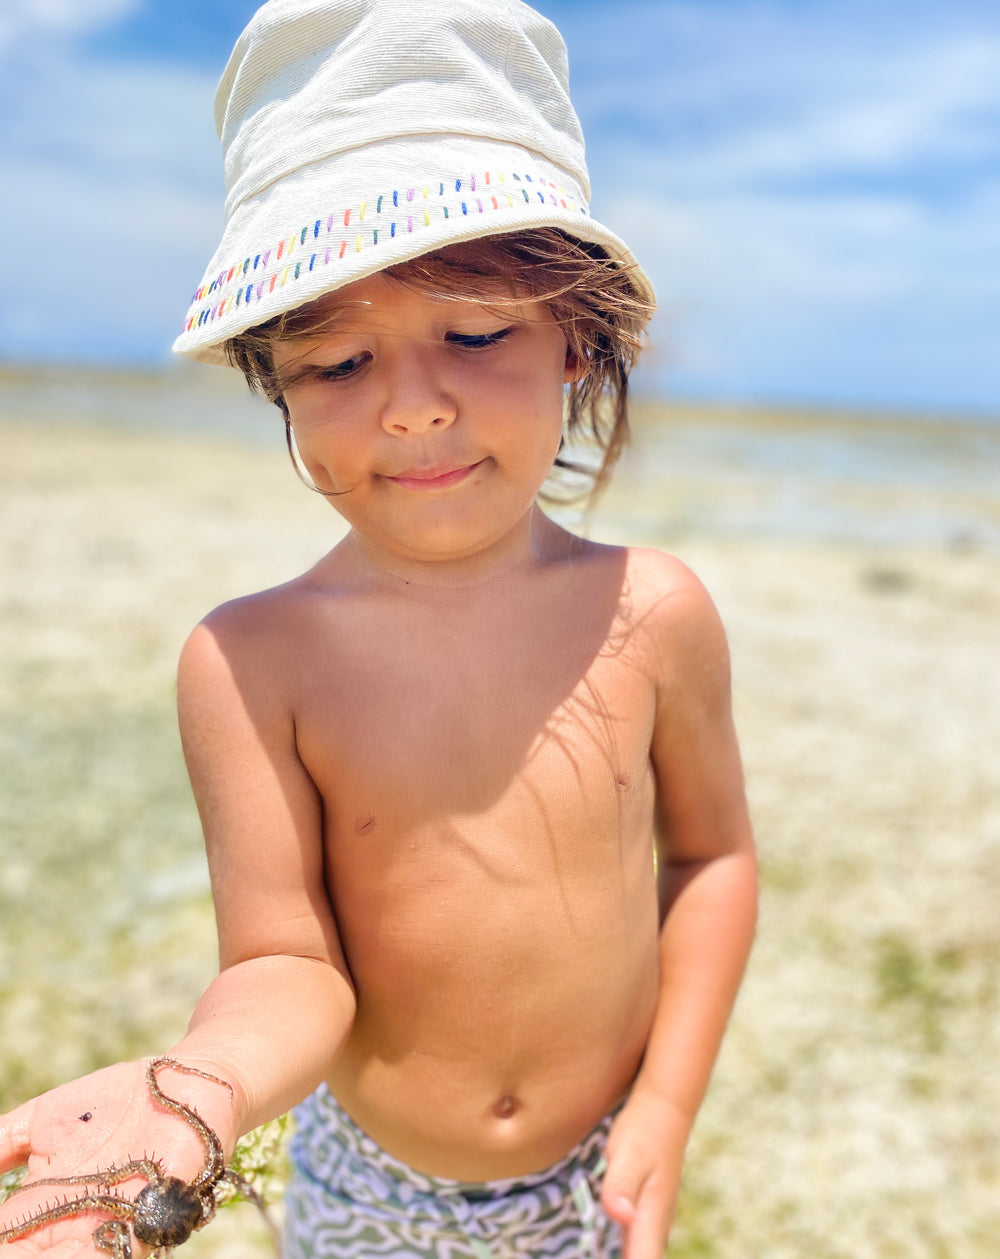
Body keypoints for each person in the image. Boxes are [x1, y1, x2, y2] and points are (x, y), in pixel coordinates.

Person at [0, 2, 758, 1257]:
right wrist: (196, 1090)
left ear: (574, 332)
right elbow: (283, 961)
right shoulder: (252, 662)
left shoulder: (655, 612)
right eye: (336, 363)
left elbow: (711, 860)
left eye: (471, 333)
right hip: (364, 1187)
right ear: (274, 380)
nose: (411, 406)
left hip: (595, 1172)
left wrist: (669, 1101)